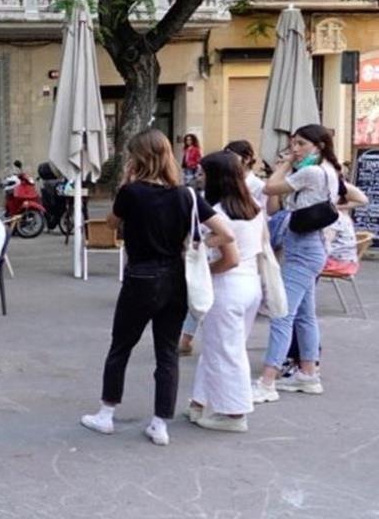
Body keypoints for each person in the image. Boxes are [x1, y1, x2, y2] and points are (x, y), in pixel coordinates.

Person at [80, 130, 237, 447]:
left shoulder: (131, 193)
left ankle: (106, 413)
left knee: (121, 345)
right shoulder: (186, 195)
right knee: (166, 353)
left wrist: (126, 182)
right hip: (175, 276)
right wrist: (194, 246)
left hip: (140, 276)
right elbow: (226, 233)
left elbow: (111, 225)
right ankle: (159, 423)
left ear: (139, 158)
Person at [254, 124, 341, 401]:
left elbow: (270, 188)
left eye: (301, 144)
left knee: (282, 313)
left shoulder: (312, 172)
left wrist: (286, 164)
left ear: (319, 146)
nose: (295, 149)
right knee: (304, 315)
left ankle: (268, 381)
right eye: (293, 144)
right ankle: (307, 373)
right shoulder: (329, 171)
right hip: (311, 244)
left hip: (303, 248)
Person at [186, 153, 264, 433]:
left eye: (203, 173)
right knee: (222, 348)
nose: (199, 177)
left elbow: (228, 259)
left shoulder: (218, 212)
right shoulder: (253, 206)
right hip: (250, 283)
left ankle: (233, 413)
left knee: (225, 351)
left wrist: (205, 271)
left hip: (228, 286)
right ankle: (200, 401)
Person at [223, 140, 266, 212]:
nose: (227, 161)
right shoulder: (227, 182)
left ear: (247, 159)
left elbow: (265, 212)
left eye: (232, 157)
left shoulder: (259, 186)